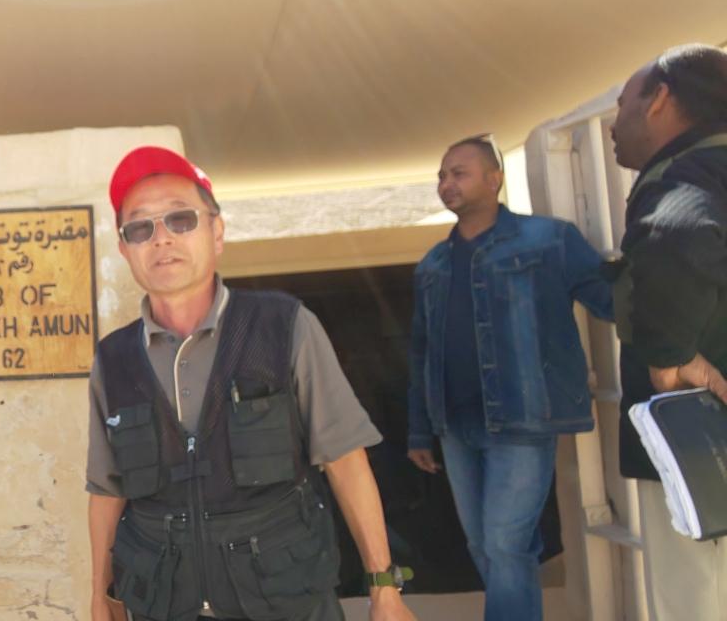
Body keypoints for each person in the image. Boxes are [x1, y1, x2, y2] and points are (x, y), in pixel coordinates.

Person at [86, 146, 416, 621]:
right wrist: (102, 596)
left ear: (217, 232)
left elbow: (345, 459)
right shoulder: (112, 360)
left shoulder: (284, 326)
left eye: (181, 219)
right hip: (165, 604)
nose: (161, 239)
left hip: (285, 600)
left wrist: (384, 588)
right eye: (140, 228)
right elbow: (106, 490)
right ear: (124, 250)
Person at [406, 135, 612, 621]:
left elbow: (609, 299)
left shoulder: (549, 240)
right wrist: (419, 429)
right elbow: (421, 351)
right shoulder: (433, 263)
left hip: (522, 419)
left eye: (459, 173)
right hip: (455, 426)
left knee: (505, 542)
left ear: (494, 179)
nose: (446, 183)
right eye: (441, 175)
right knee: (485, 545)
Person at [609, 43, 727, 620]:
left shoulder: (684, 175)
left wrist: (670, 356)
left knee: (695, 601)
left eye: (622, 103)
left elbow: (678, 234)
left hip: (700, 447)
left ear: (659, 99)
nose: (614, 124)